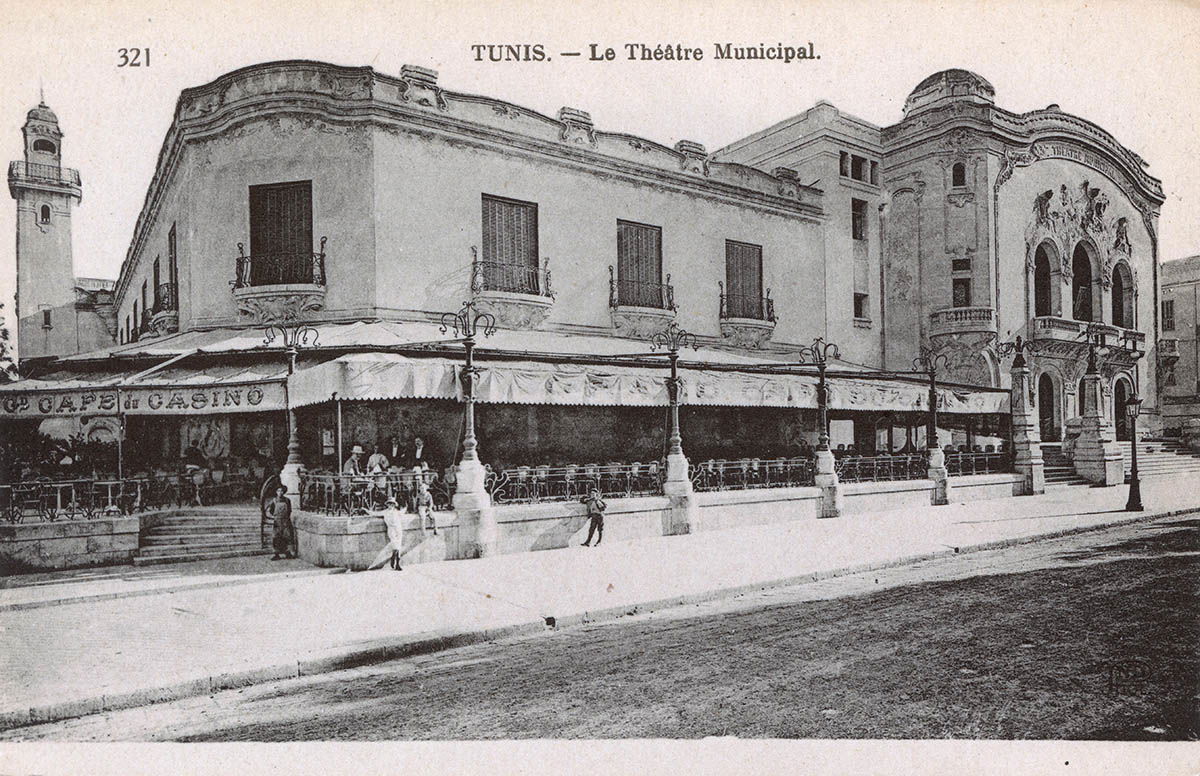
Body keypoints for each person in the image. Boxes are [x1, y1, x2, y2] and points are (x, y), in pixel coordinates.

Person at [268, 485, 295, 560]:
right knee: (276, 537)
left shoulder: (287, 500)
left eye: (282, 491)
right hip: (277, 521)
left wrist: (285, 518)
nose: (280, 493)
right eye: (278, 491)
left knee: (287, 536)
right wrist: (277, 516)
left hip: (285, 521)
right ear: (276, 492)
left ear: (284, 492)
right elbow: (271, 511)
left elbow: (289, 510)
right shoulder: (274, 501)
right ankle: (276, 554)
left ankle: (287, 552)